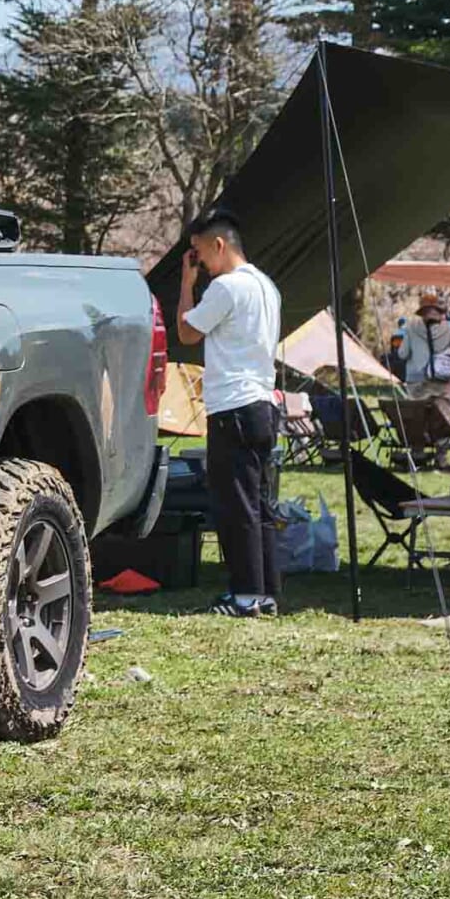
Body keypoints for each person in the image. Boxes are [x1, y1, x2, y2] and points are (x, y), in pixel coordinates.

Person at [176, 208, 284, 618]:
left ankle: (244, 595)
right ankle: (266, 592)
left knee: (236, 504)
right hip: (262, 404)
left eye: (199, 252)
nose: (199, 262)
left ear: (219, 245)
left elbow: (186, 332)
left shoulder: (225, 288)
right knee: (259, 503)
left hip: (232, 408)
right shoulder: (266, 286)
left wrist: (186, 285)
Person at [390, 294, 450, 412]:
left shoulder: (411, 328)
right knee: (441, 415)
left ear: (421, 312)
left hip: (416, 380)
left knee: (418, 415)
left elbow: (402, 354)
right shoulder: (449, 330)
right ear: (440, 311)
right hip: (441, 380)